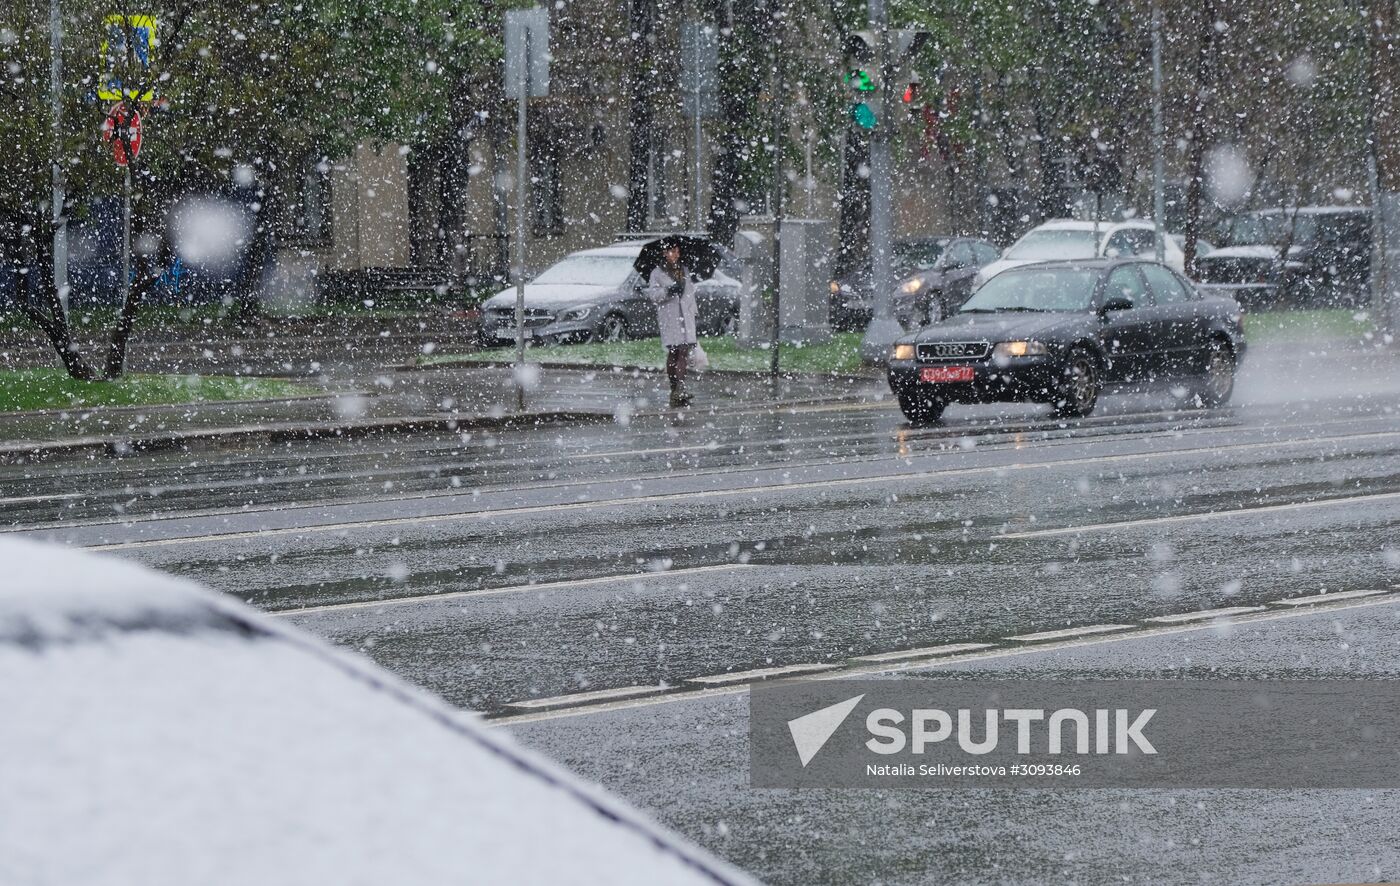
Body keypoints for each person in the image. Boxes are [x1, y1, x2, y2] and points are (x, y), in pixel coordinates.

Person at [647, 239, 699, 408]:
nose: (676, 255)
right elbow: (654, 296)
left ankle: (679, 389)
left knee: (683, 351)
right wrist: (668, 290)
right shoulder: (657, 273)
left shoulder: (684, 270)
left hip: (686, 317)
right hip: (670, 317)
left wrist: (693, 311)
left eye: (677, 251)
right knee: (674, 351)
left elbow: (690, 293)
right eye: (672, 251)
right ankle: (675, 389)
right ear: (664, 253)